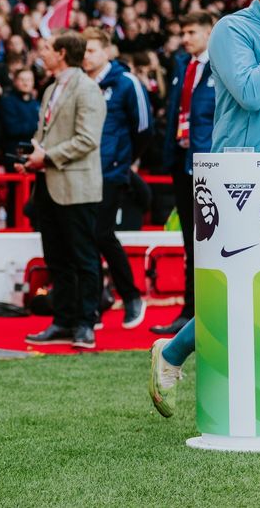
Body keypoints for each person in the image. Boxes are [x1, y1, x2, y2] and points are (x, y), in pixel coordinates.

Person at [150, 0, 260, 417]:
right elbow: (250, 94)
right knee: (237, 288)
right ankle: (172, 352)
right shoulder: (232, 30)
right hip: (241, 173)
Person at [20, 31, 106, 350]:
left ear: (62, 53)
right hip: (49, 183)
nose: (42, 53)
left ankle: (86, 323)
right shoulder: (53, 88)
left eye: (47, 48)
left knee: (83, 257)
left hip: (77, 186)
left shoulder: (87, 89)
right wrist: (31, 158)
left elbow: (88, 139)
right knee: (57, 258)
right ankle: (63, 320)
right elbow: (46, 134)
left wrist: (47, 156)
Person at [149, 12, 216, 336]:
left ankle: (205, 311)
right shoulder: (183, 66)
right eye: (183, 31)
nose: (185, 37)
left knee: (207, 242)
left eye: (192, 32)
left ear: (210, 32)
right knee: (191, 242)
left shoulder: (221, 65)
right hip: (182, 160)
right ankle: (190, 313)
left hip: (209, 163)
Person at [81, 27, 152, 329]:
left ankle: (131, 295)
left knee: (101, 234)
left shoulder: (126, 82)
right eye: (83, 50)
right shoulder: (80, 83)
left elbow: (144, 127)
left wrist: (124, 161)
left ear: (107, 51)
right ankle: (96, 303)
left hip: (111, 171)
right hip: (82, 172)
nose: (86, 56)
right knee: (87, 238)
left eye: (92, 50)